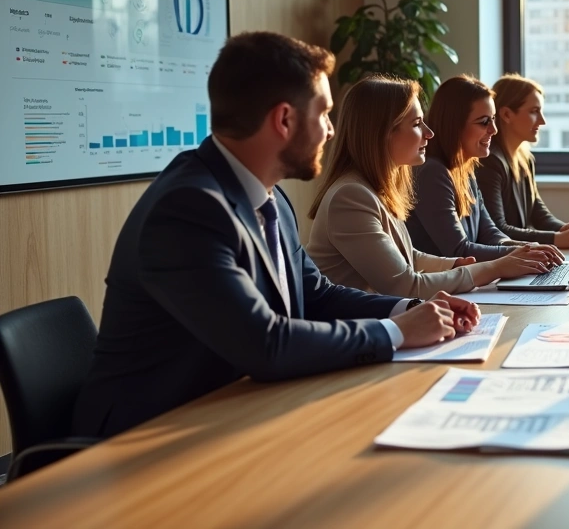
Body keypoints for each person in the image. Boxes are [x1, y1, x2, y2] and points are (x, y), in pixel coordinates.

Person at [73, 32, 480, 439]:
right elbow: (265, 343)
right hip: (145, 437)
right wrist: (397, 332)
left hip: (234, 410)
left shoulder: (270, 198)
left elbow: (317, 294)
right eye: (323, 115)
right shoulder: (189, 209)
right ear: (284, 120)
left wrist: (408, 309)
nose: (331, 132)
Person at [307, 75, 557, 298]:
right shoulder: (351, 196)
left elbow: (409, 257)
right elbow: (403, 285)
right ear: (383, 132)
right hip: (359, 335)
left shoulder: (376, 188)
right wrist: (496, 267)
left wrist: (456, 265)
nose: (429, 133)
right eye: (417, 124)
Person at [405, 75, 563, 265]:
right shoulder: (432, 172)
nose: (494, 130)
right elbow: (459, 250)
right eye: (483, 122)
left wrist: (528, 248)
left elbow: (490, 233)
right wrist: (521, 253)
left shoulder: (466, 169)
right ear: (455, 125)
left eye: (493, 119)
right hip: (441, 288)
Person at [475, 74, 569, 248]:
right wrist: (555, 239)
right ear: (506, 114)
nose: (542, 121)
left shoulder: (524, 158)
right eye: (534, 111)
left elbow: (538, 213)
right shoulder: (489, 162)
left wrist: (566, 231)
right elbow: (497, 230)